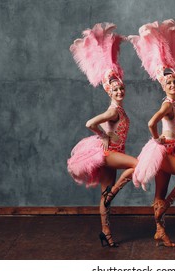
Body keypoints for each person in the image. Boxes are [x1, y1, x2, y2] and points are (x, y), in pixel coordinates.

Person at [67, 23, 137, 248]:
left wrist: (105, 136)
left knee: (104, 192)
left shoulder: (119, 108)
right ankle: (112, 195)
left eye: (121, 89)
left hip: (113, 152)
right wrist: (103, 137)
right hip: (109, 153)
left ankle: (105, 232)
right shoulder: (113, 110)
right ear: (109, 91)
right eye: (115, 90)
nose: (119, 91)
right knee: (138, 165)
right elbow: (90, 123)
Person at [129, 19, 175, 247]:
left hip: (172, 151)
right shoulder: (167, 105)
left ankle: (160, 232)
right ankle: (166, 207)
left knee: (159, 193)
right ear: (164, 86)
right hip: (165, 151)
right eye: (169, 83)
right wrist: (157, 139)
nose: (173, 85)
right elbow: (151, 122)